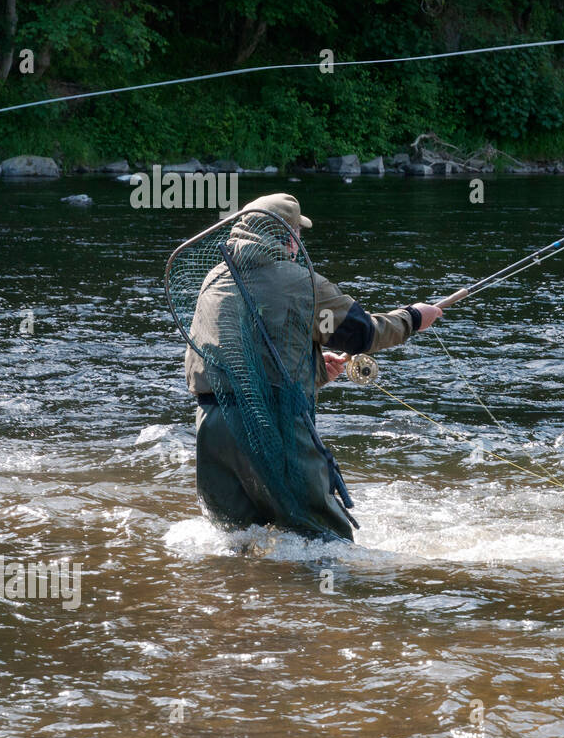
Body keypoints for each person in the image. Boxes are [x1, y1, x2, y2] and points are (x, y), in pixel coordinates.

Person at [184, 193, 441, 540]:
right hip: (274, 427)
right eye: (298, 233)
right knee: (326, 542)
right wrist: (412, 318)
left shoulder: (214, 280)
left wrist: (318, 370)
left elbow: (235, 362)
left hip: (213, 431)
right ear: (289, 237)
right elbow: (361, 334)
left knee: (239, 541)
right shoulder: (300, 283)